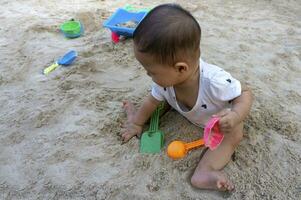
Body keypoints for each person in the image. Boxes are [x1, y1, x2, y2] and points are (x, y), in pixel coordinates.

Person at [120, 3, 253, 191]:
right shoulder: (166, 81)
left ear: (181, 68)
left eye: (151, 72)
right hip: (187, 108)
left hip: (219, 123)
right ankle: (135, 115)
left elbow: (245, 93)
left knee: (234, 134)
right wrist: (137, 123)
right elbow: (152, 100)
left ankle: (206, 170)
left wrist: (236, 115)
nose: (148, 75)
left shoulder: (215, 81)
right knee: (158, 102)